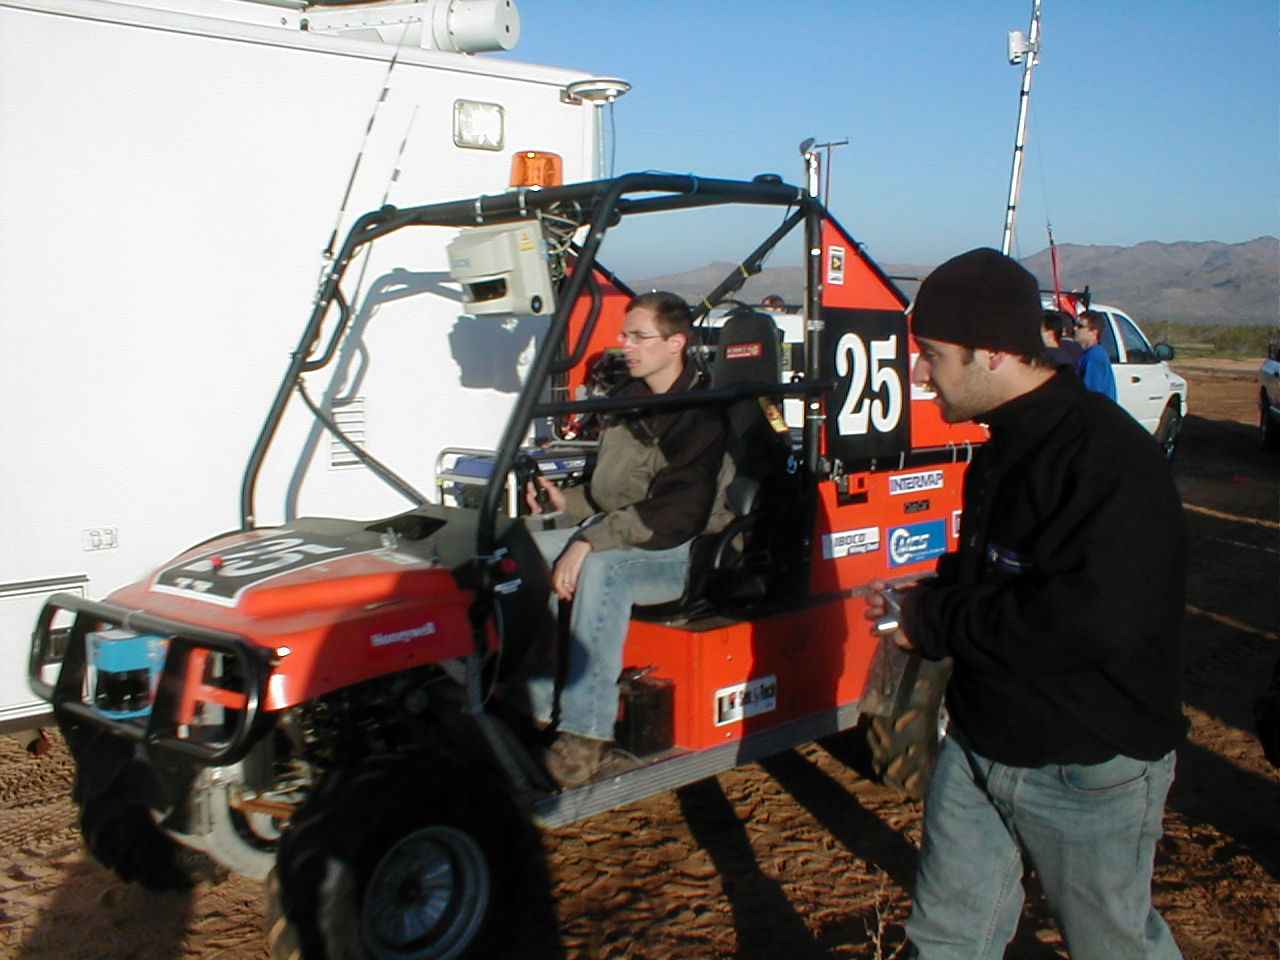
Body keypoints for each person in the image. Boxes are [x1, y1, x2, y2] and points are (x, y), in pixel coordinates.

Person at [869, 247, 1187, 959]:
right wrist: (935, 593)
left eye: (931, 356)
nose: (919, 376)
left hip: (1087, 762)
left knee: (1113, 945)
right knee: (946, 940)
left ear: (990, 353)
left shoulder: (1107, 459)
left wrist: (935, 620)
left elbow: (1092, 623)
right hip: (982, 745)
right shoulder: (1000, 444)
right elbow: (999, 571)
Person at [524, 291, 726, 786]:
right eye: (624, 334)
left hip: (678, 551)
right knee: (520, 548)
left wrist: (588, 541)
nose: (625, 345)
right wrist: (564, 505)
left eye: (638, 336)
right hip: (627, 532)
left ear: (676, 343)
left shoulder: (700, 415)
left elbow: (677, 513)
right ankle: (527, 702)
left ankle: (586, 736)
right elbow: (612, 493)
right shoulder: (627, 402)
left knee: (600, 567)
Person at [1074, 308, 1117, 400]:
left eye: (1080, 326)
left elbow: (1091, 395)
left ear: (1094, 332)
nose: (1075, 328)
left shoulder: (1095, 356)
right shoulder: (1087, 354)